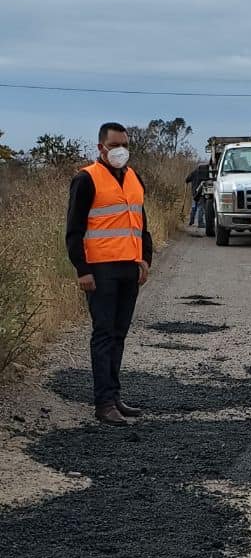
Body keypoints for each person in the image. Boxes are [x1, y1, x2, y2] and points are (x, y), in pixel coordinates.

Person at [66, 121, 152, 426]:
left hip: (129, 268)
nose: (121, 151)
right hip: (100, 272)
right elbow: (74, 231)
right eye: (115, 146)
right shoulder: (86, 179)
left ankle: (114, 396)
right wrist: (82, 270)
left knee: (119, 335)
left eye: (125, 145)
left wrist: (145, 260)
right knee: (103, 335)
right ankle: (103, 403)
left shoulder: (133, 178)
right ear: (101, 147)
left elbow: (141, 225)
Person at [186, 160, 211, 226]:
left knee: (194, 207)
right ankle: (200, 223)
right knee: (200, 208)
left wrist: (188, 180)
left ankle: (191, 221)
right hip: (201, 193)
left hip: (194, 193)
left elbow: (187, 179)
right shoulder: (207, 173)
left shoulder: (194, 172)